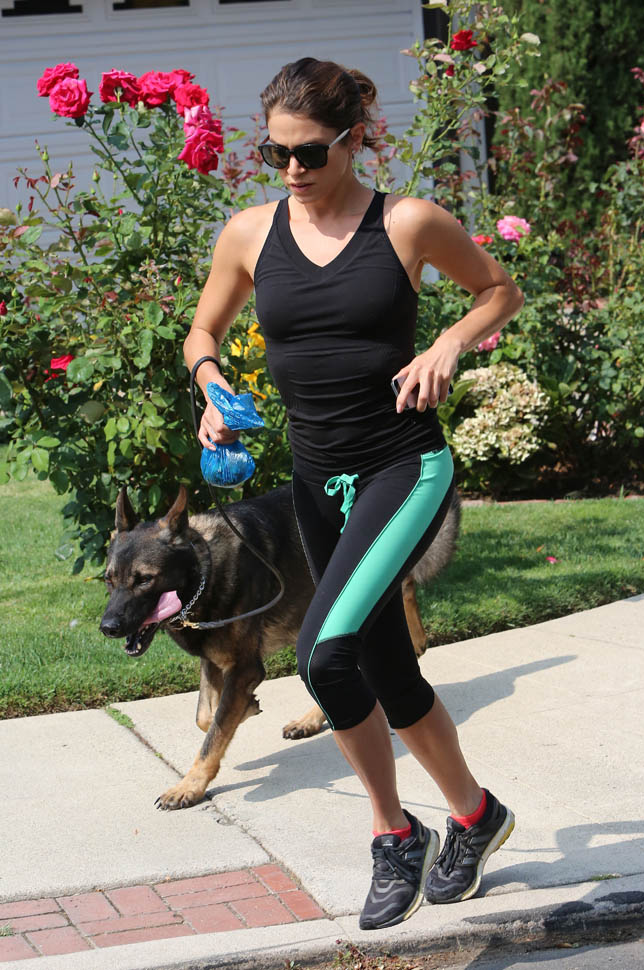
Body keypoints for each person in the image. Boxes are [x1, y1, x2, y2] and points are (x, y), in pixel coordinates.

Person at [184, 57, 524, 931]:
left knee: (322, 655)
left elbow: (499, 289)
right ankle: (477, 816)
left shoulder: (406, 222)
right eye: (276, 153)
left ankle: (392, 835)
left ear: (353, 140)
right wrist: (211, 389)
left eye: (311, 152)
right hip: (314, 480)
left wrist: (448, 342)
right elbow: (202, 330)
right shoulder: (249, 234)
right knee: (385, 667)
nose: (293, 169)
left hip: (402, 467)